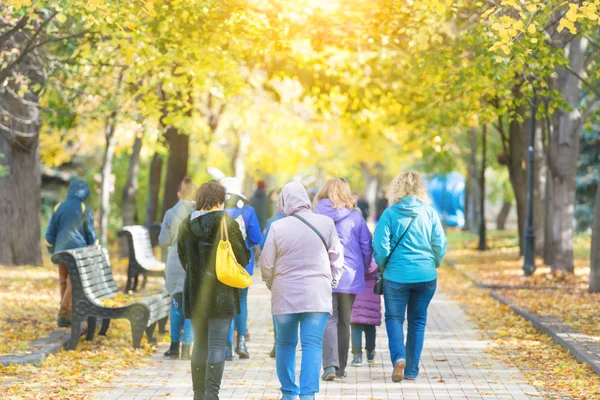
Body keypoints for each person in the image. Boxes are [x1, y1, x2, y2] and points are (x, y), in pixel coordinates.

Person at [260, 181, 344, 400]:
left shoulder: (278, 227)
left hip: (285, 295)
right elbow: (337, 257)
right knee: (312, 344)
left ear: (285, 201)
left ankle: (288, 392)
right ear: (306, 199)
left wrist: (270, 283)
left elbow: (266, 263)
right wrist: (332, 281)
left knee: (285, 344)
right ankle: (308, 395)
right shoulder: (326, 223)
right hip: (317, 295)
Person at [178, 181, 250, 400]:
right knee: (217, 343)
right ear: (221, 200)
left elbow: (183, 259)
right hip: (222, 294)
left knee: (199, 343)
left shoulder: (186, 224)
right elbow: (243, 258)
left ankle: (198, 394)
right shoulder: (227, 223)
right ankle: (212, 395)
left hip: (195, 293)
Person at [372, 171, 447, 382]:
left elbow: (380, 247)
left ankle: (399, 359)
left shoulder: (389, 214)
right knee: (417, 322)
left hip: (396, 277)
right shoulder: (429, 213)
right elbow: (440, 244)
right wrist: (434, 262)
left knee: (394, 319)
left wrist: (383, 264)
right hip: (425, 277)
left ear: (396, 189)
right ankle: (412, 370)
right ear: (420, 189)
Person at [314, 178, 373, 381]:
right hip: (349, 275)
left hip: (324, 272)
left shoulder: (315, 216)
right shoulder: (355, 217)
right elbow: (366, 247)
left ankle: (329, 365)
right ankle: (341, 367)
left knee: (328, 319)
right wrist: (362, 269)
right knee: (344, 322)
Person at [45, 179, 97, 328]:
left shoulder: (58, 207)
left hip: (60, 251)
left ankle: (66, 315)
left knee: (63, 281)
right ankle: (64, 313)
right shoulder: (83, 208)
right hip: (77, 253)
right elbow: (90, 233)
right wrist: (93, 248)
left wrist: (51, 249)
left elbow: (50, 234)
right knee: (73, 281)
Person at [220, 177, 263, 360]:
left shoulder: (218, 210)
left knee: (226, 303)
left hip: (222, 264)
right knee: (241, 302)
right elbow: (256, 238)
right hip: (244, 264)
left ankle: (228, 346)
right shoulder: (248, 210)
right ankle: (242, 342)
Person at [159, 177, 197, 360]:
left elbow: (163, 241)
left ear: (179, 194)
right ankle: (187, 348)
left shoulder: (170, 213)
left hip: (175, 261)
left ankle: (173, 345)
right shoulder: (200, 212)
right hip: (194, 262)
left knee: (176, 303)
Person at [259, 190, 286, 358]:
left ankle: (278, 342)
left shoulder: (273, 222)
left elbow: (263, 245)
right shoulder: (304, 220)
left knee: (278, 308)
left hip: (278, 272)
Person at [349, 259, 381, 367]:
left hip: (356, 294)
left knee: (355, 327)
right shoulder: (375, 258)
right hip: (372, 295)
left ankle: (357, 357)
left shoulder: (356, 257)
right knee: (370, 327)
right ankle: (370, 353)